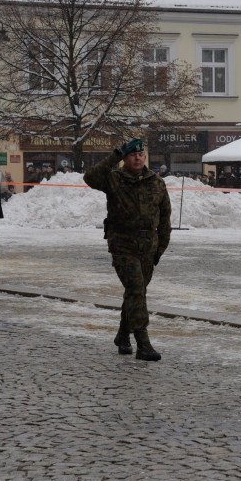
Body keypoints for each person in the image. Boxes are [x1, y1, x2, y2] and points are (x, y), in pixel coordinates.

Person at [84, 139, 171, 362]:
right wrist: (114, 155)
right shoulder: (113, 180)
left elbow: (165, 219)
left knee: (135, 293)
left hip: (148, 246)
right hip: (123, 244)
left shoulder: (156, 182)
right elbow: (90, 177)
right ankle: (143, 343)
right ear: (125, 158)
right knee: (136, 290)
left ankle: (123, 335)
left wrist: (160, 248)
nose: (138, 158)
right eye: (133, 155)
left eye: (141, 154)